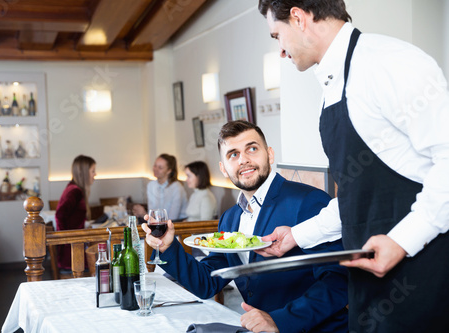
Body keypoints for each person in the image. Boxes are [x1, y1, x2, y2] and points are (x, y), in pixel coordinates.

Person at [257, 1, 449, 331]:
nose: (281, 52)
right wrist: (296, 236)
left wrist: (402, 240)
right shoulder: (330, 87)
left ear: (299, 18)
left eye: (277, 36)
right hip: (367, 286)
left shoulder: (392, 62)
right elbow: (355, 197)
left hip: (422, 280)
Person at [143, 120, 348, 333]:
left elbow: (339, 281)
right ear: (223, 168)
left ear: (269, 154)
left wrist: (281, 320)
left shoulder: (308, 201)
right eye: (233, 154)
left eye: (252, 149)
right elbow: (206, 283)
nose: (244, 160)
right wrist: (168, 248)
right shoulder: (230, 219)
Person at [55, 154, 96, 270]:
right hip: (71, 254)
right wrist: (67, 241)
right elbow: (59, 215)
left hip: (75, 247)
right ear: (84, 173)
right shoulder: (74, 191)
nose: (95, 174)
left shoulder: (74, 188)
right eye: (93, 171)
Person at [133, 154, 188, 221]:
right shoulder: (151, 185)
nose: (155, 169)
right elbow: (152, 213)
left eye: (160, 167)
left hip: (177, 225)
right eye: (155, 165)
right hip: (158, 224)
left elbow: (172, 219)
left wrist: (144, 214)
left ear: (169, 171)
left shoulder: (177, 187)